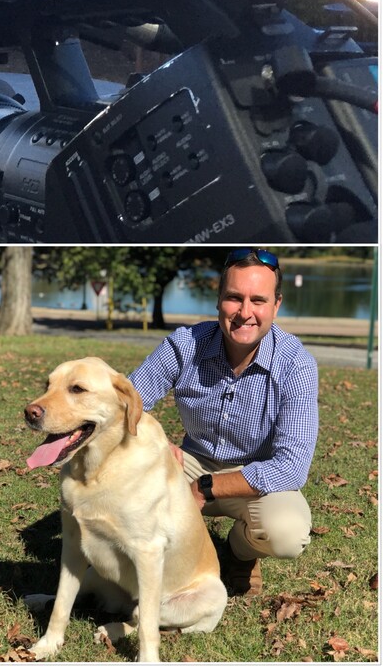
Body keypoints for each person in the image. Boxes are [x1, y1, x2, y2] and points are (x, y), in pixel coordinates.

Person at [128, 248, 319, 597]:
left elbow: (291, 468)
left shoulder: (297, 365)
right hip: (189, 462)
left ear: (276, 305)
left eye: (258, 301)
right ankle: (130, 562)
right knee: (125, 479)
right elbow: (128, 404)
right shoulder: (185, 345)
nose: (245, 313)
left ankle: (239, 553)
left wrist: (204, 488)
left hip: (256, 474)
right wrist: (155, 443)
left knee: (286, 532)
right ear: (218, 300)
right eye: (234, 298)